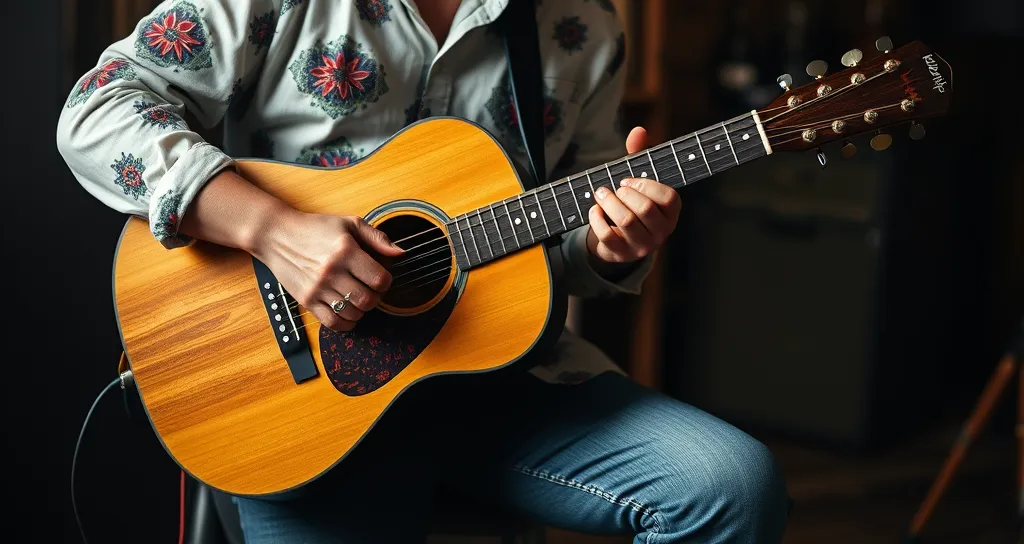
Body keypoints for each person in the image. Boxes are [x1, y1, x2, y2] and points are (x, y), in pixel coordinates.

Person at [56, 0, 789, 542]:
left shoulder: (584, 28)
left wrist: (610, 244)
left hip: (504, 380)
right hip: (301, 403)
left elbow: (569, 233)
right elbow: (95, 111)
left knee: (731, 487)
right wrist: (276, 231)